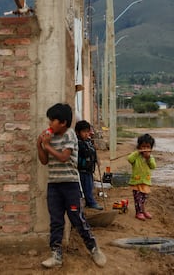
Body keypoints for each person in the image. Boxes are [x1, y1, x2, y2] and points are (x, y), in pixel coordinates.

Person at [37, 103, 106, 268]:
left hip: (70, 185)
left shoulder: (69, 135)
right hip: (54, 185)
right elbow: (44, 161)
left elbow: (64, 158)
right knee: (56, 221)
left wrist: (46, 146)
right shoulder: (49, 137)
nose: (49, 123)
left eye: (52, 120)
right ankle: (56, 254)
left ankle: (94, 248)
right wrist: (39, 145)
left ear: (62, 123)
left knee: (77, 218)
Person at [75, 120, 103, 210]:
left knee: (90, 186)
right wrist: (91, 148)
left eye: (87, 131)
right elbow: (85, 153)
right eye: (84, 132)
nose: (86, 134)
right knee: (86, 187)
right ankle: (90, 202)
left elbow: (93, 153)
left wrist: (96, 160)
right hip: (83, 169)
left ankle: (89, 201)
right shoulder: (79, 143)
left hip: (90, 169)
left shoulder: (88, 141)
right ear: (78, 132)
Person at [127, 133, 156, 221]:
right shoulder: (136, 156)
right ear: (139, 147)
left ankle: (143, 211)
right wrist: (137, 152)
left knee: (143, 199)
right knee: (138, 199)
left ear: (151, 148)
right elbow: (129, 159)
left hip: (146, 182)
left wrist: (149, 158)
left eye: (147, 147)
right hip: (137, 182)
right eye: (143, 147)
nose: (145, 149)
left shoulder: (151, 157)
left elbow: (153, 166)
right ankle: (138, 213)